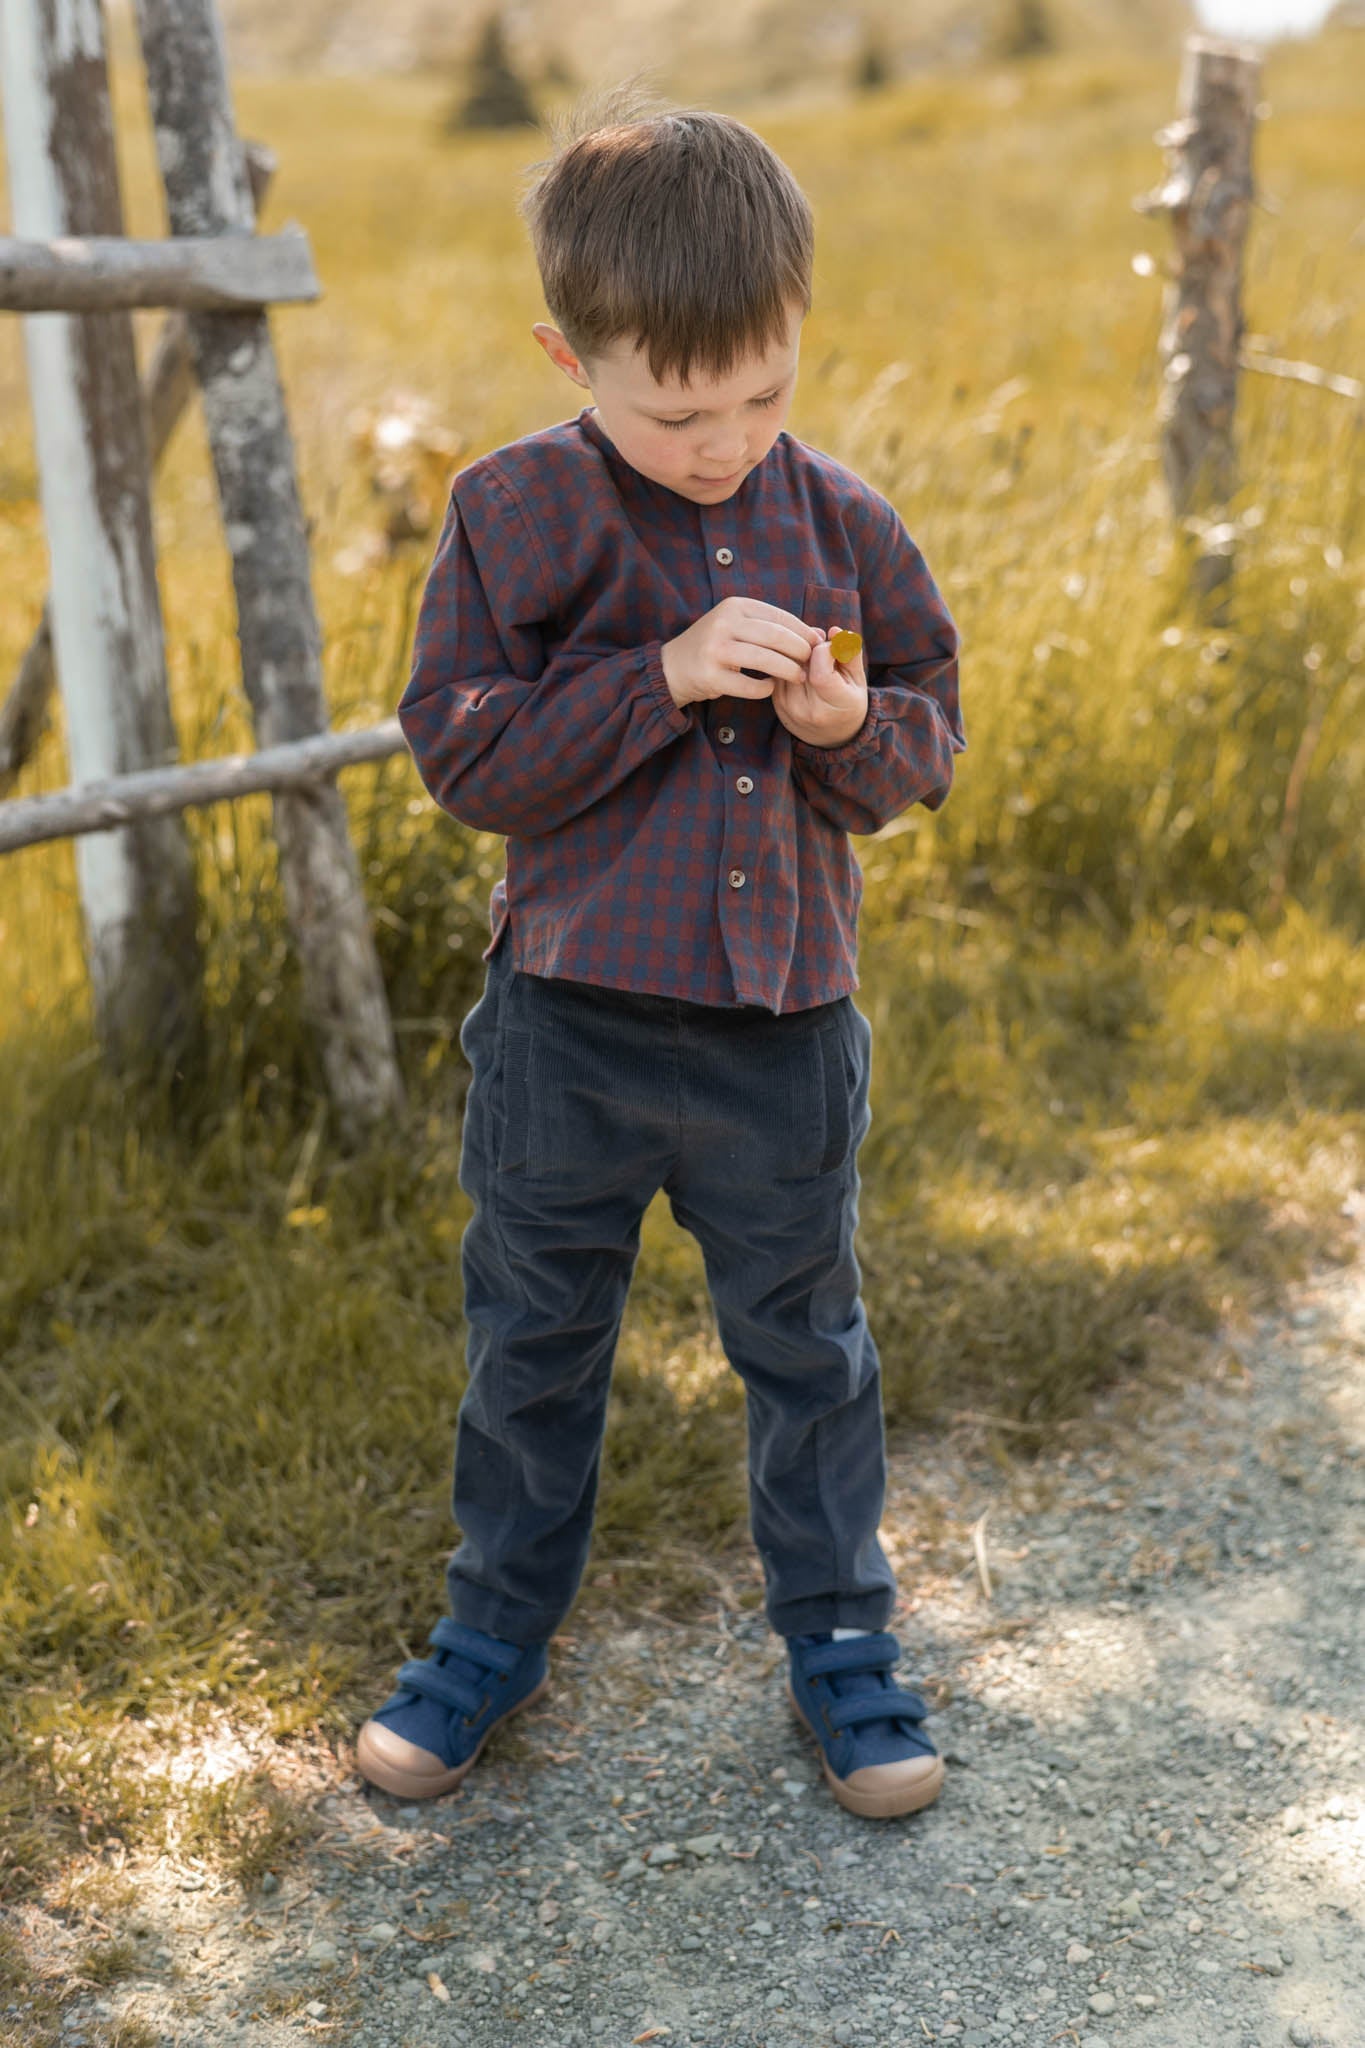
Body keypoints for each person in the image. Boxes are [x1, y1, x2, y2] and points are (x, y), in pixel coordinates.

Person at [358, 85, 965, 1822]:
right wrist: (664, 673)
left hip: (786, 1035)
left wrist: (852, 723)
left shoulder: (843, 523)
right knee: (535, 1339)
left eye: (762, 393)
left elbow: (922, 742)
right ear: (572, 356)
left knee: (806, 1345)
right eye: (675, 409)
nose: (721, 442)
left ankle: (843, 1654)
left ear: (795, 334)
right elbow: (466, 756)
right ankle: (490, 1637)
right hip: (567, 1029)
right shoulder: (513, 516)